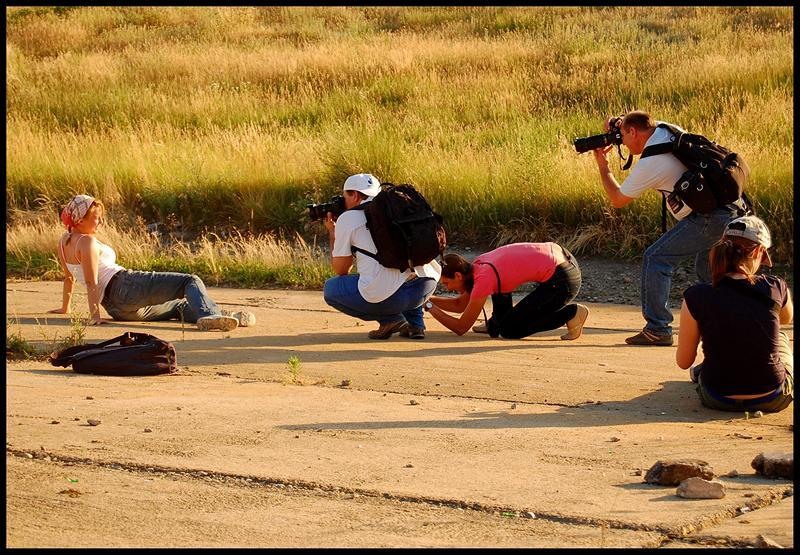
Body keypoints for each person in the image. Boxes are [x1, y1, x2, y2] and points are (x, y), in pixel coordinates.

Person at [592, 110, 744, 346]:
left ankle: (658, 328)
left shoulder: (651, 163)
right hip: (731, 208)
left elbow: (618, 199)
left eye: (623, 135)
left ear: (633, 131)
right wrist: (615, 125)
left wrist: (603, 165)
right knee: (708, 271)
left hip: (709, 218)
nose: (623, 142)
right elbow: (637, 121)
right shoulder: (666, 130)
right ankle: (730, 319)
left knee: (656, 258)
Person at [49, 194, 252, 331]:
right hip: (125, 285)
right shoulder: (87, 242)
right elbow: (91, 282)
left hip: (118, 309)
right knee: (189, 281)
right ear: (80, 220)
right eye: (96, 218)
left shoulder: (63, 242)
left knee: (177, 307)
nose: (100, 222)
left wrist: (65, 308)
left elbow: (69, 278)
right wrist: (94, 316)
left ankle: (223, 316)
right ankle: (211, 315)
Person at [676, 216, 793, 413]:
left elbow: (683, 361)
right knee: (780, 336)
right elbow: (786, 319)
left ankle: (709, 367)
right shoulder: (775, 287)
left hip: (716, 397)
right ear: (757, 251)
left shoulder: (696, 296)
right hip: (772, 397)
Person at [322, 174, 440, 340]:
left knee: (331, 289)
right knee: (404, 268)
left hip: (392, 296)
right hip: (425, 286)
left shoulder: (347, 219)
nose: (343, 202)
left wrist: (333, 233)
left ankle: (391, 321)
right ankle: (416, 326)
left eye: (345, 197)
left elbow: (341, 269)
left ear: (354, 195)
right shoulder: (399, 207)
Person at [423, 243, 588, 340]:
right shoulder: (478, 266)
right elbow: (460, 305)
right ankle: (495, 323)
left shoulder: (483, 279)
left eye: (446, 283)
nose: (447, 288)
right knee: (498, 322)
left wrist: (429, 306)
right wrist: (424, 298)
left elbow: (461, 327)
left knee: (510, 330)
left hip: (564, 279)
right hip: (561, 256)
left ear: (458, 275)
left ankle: (571, 314)